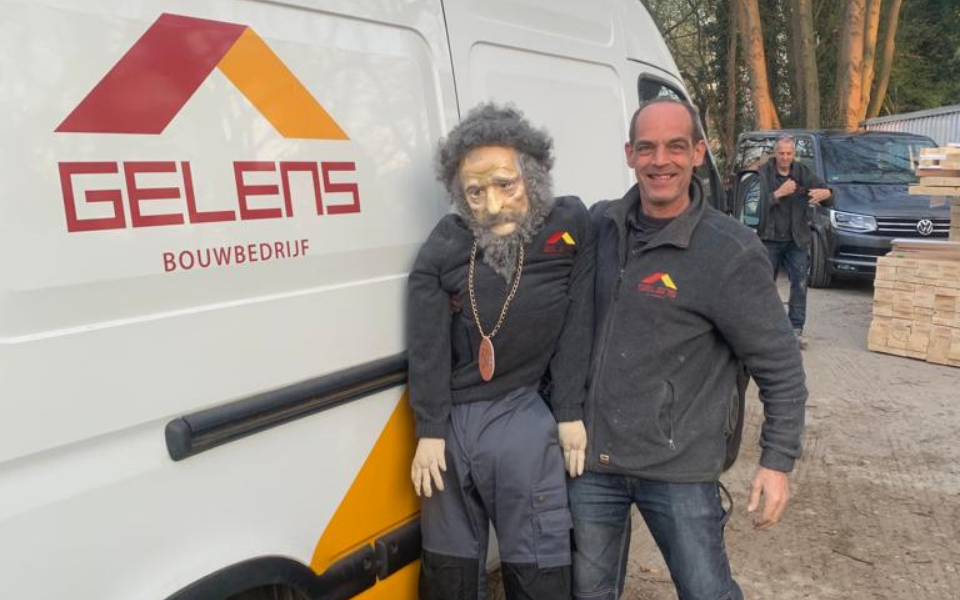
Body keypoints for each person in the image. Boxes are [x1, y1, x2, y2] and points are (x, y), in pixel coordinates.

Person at [569, 98, 808, 600]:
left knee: (706, 592)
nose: (661, 161)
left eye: (675, 147)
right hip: (594, 463)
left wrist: (777, 460)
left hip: (679, 467)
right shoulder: (601, 227)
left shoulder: (729, 250)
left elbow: (780, 364)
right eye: (647, 148)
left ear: (698, 152)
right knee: (588, 593)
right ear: (629, 154)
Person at [406, 103, 594, 600]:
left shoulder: (570, 226)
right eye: (475, 192)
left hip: (521, 418)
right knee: (447, 571)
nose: (492, 205)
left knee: (538, 569)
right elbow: (426, 343)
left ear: (533, 174)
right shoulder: (446, 246)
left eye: (505, 184)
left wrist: (570, 410)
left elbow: (579, 323)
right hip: (452, 427)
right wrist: (429, 428)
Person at [757, 136, 832, 348]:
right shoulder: (763, 173)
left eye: (789, 153)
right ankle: (764, 329)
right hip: (769, 238)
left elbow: (826, 193)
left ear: (794, 154)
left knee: (800, 284)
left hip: (797, 238)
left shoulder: (802, 172)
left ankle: (795, 330)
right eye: (781, 153)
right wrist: (778, 193)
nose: (785, 157)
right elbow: (755, 205)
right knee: (764, 285)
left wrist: (827, 193)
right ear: (775, 153)